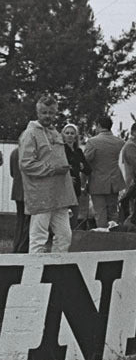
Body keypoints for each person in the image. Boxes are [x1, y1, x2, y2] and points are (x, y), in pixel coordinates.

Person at [18, 95, 76, 253]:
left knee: (65, 236)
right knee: (39, 238)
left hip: (60, 196)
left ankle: (56, 269)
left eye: (51, 112)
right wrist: (53, 169)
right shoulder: (30, 134)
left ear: (55, 113)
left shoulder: (55, 133)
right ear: (37, 113)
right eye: (44, 112)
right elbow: (26, 164)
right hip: (41, 195)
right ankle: (33, 274)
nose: (48, 116)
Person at [83, 115, 126, 228]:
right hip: (114, 182)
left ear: (98, 126)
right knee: (113, 212)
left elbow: (85, 162)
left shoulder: (92, 142)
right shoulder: (120, 142)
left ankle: (102, 237)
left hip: (97, 183)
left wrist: (84, 183)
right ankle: (114, 235)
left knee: (100, 213)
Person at [62, 123, 92, 230]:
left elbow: (88, 170)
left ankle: (72, 239)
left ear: (76, 136)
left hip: (76, 188)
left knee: (74, 215)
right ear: (63, 135)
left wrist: (82, 166)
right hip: (64, 188)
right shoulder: (61, 150)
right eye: (67, 133)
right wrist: (67, 177)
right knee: (64, 216)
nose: (70, 135)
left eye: (72, 133)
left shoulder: (78, 151)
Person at [8, 146, 30, 253]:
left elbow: (12, 173)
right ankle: (23, 248)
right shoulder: (30, 152)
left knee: (20, 220)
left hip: (17, 191)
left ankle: (16, 247)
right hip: (29, 191)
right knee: (28, 221)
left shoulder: (14, 152)